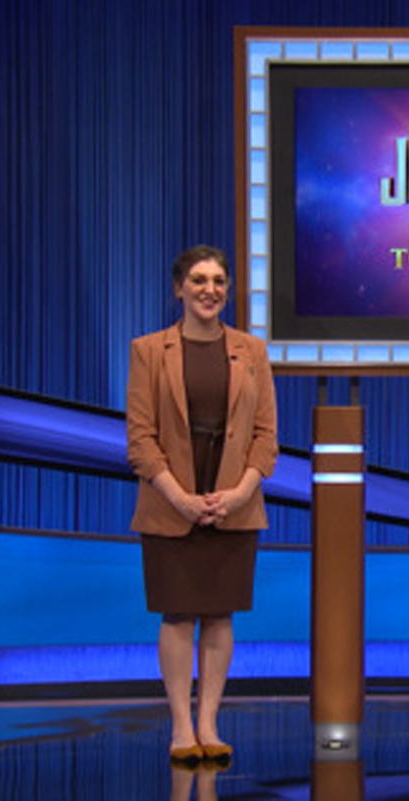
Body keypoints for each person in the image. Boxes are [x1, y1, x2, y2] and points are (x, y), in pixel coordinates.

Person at [126, 244, 277, 767]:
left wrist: (237, 495)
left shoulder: (251, 352)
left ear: (228, 289)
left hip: (232, 502)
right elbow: (141, 440)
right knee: (178, 614)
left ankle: (210, 722)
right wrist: (181, 499)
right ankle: (181, 726)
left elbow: (266, 436)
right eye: (198, 280)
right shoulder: (148, 351)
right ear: (178, 289)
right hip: (172, 502)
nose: (209, 289)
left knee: (219, 616)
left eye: (218, 281)